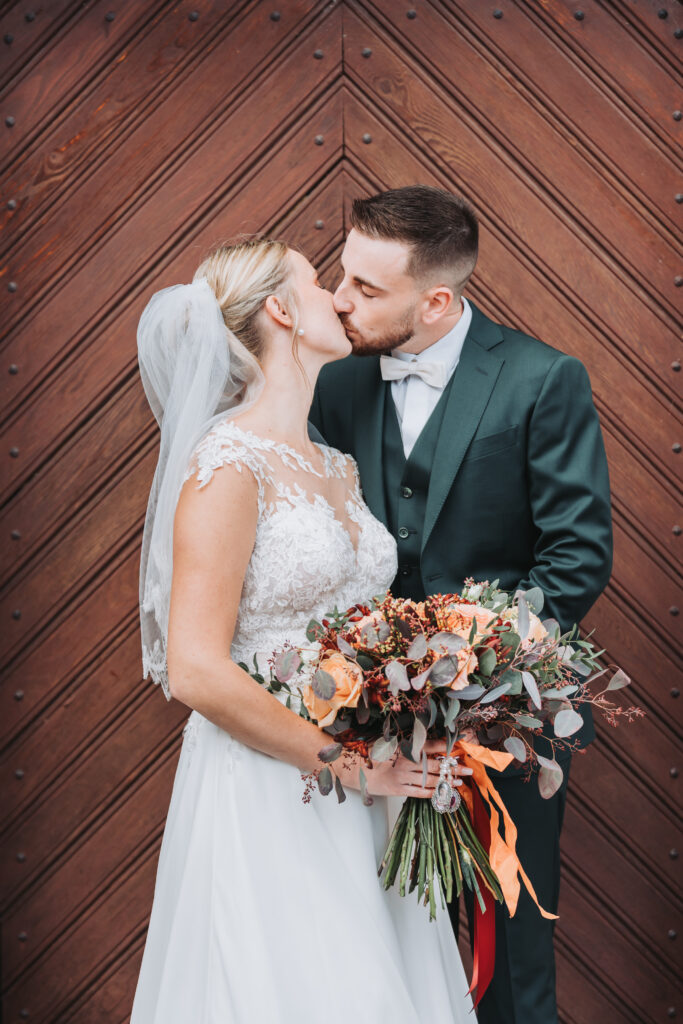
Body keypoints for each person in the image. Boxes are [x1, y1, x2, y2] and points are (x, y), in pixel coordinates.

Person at [130, 238, 475, 1023]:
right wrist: (345, 764)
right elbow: (195, 668)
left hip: (366, 785)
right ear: (281, 311)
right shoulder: (227, 464)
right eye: (321, 284)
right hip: (272, 788)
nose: (341, 299)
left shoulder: (333, 466)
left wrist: (413, 713)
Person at [309, 185, 613, 1024]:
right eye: (342, 274)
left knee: (506, 960)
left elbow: (575, 556)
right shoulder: (334, 382)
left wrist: (478, 683)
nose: (339, 299)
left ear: (436, 301)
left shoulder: (541, 378)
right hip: (361, 733)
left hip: (503, 727)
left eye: (366, 287)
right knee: (374, 957)